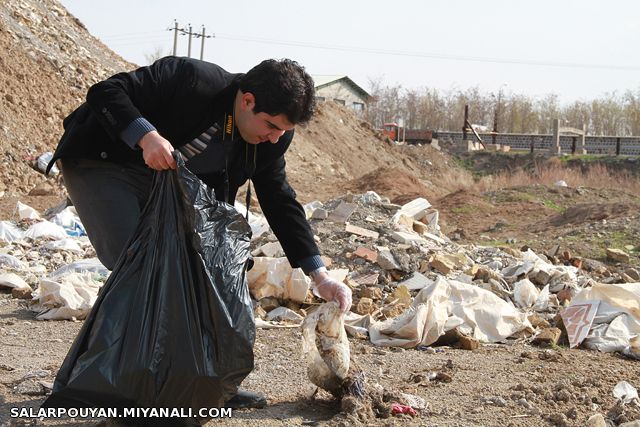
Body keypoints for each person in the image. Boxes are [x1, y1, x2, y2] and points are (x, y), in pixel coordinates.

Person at [47, 56, 352, 409]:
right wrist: (145, 136)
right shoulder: (192, 80)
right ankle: (108, 384)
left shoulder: (272, 138)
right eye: (271, 126)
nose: (274, 138)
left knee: (211, 273)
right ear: (247, 100)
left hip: (171, 185)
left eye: (283, 131)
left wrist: (319, 274)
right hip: (105, 162)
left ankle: (204, 383)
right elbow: (104, 92)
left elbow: (279, 199)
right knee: (141, 263)